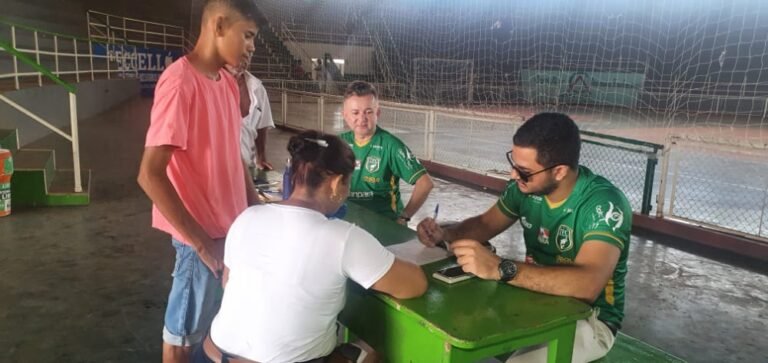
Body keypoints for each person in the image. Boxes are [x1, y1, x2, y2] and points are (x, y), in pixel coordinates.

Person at [192, 130, 428, 363]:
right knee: (373, 352)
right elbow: (415, 285)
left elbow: (228, 283)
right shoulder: (344, 237)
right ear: (336, 183)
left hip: (210, 355)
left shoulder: (247, 217)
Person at [417, 113, 631, 363]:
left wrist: (500, 268)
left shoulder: (604, 204)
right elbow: (486, 224)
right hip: (531, 297)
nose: (513, 175)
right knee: (447, 325)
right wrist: (445, 234)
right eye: (513, 163)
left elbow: (587, 285)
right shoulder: (524, 188)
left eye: (524, 171)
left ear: (559, 171)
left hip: (589, 318)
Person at [136, 1, 261, 362]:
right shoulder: (180, 83)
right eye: (247, 36)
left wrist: (258, 210)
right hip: (201, 241)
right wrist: (203, 246)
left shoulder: (226, 83)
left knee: (217, 330)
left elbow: (234, 157)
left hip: (229, 234)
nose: (252, 47)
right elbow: (149, 174)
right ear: (219, 26)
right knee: (182, 338)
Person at [340, 81, 434, 223]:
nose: (362, 118)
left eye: (368, 112)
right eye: (355, 113)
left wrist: (404, 216)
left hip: (383, 223)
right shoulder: (339, 144)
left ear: (377, 113)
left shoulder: (391, 146)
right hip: (348, 220)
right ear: (345, 115)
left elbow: (425, 183)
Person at [228, 56, 275, 177]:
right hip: (220, 169)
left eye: (249, 54)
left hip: (248, 168)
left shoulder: (258, 89)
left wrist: (261, 157)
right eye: (239, 54)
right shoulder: (211, 85)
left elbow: (262, 126)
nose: (244, 59)